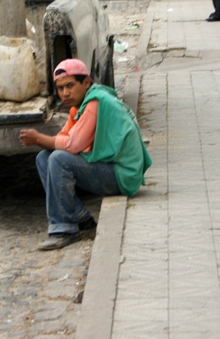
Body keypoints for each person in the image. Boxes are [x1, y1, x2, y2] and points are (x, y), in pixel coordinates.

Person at [19, 58, 152, 250]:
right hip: (113, 170)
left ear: (86, 82)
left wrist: (39, 138)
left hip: (124, 175)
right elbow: (64, 138)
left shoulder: (95, 103)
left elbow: (72, 145)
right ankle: (79, 217)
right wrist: (45, 142)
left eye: (70, 85)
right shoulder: (81, 105)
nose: (65, 93)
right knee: (44, 158)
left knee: (58, 159)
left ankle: (63, 230)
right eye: (60, 88)